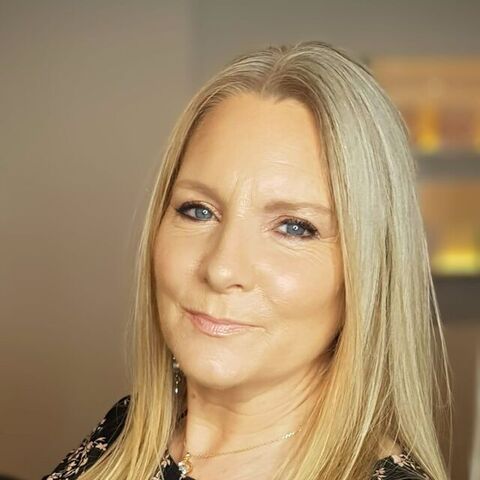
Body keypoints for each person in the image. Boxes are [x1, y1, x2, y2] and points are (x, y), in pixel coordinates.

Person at [42, 41, 452, 480]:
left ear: (370, 273)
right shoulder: (125, 432)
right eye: (198, 210)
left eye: (294, 227)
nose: (221, 269)